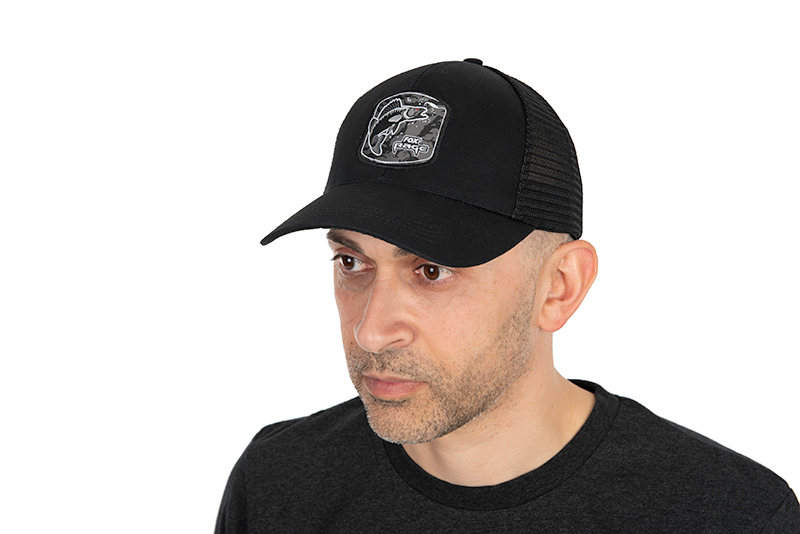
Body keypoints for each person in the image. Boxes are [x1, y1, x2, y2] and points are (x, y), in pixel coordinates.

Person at [215, 59, 799, 532]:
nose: (371, 331)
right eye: (352, 262)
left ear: (560, 286)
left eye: (432, 270)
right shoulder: (277, 484)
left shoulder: (731, 516)